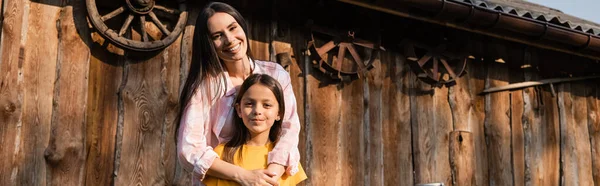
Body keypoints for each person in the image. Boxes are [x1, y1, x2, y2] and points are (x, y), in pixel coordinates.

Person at [177, 2, 301, 186]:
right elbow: (190, 149)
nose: (230, 40)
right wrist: (244, 177)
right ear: (208, 44)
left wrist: (271, 177)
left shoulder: (275, 74)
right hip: (222, 181)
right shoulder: (204, 87)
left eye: (232, 28)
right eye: (218, 36)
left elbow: (289, 129)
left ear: (242, 26)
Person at [203, 74, 307, 186]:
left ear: (279, 113)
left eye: (266, 105)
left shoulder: (287, 160)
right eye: (249, 104)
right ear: (239, 110)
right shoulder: (220, 155)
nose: (257, 110)